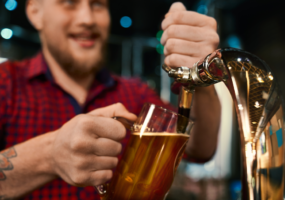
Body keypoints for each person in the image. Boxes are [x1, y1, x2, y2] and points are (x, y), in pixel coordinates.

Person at [0, 0, 221, 199]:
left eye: (97, 4)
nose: (87, 19)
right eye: (69, 2)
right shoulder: (6, 83)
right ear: (35, 11)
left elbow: (200, 148)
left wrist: (201, 75)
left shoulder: (135, 93)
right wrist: (49, 155)